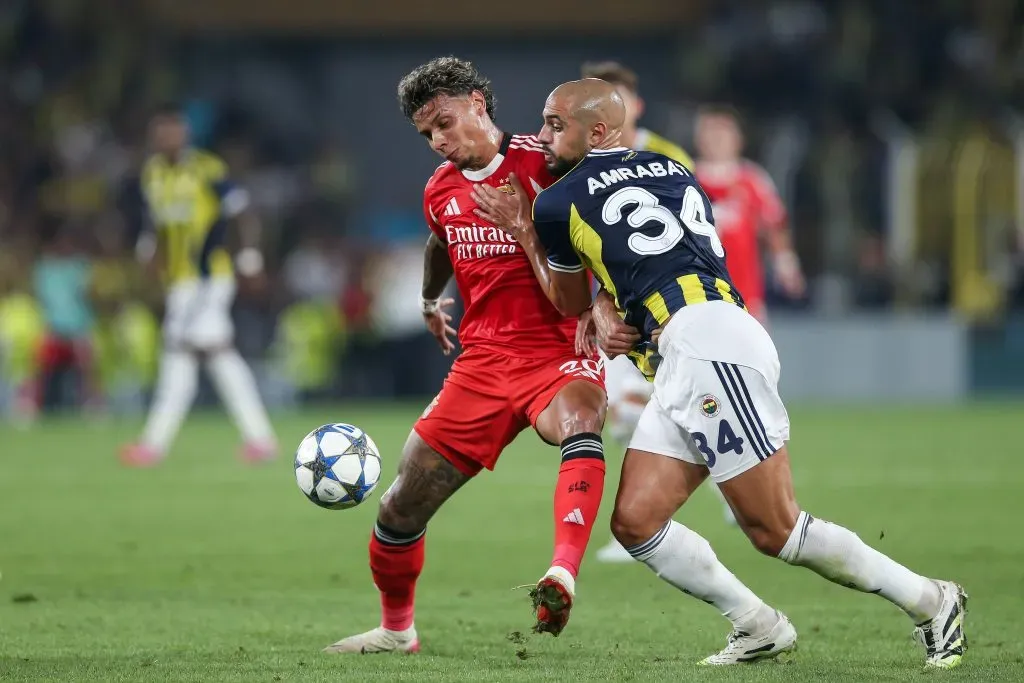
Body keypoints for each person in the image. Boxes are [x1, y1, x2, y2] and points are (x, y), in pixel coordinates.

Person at [472, 78, 967, 669]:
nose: (544, 135)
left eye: (556, 125)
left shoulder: (557, 202)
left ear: (597, 132)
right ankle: (757, 624)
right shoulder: (675, 170)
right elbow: (658, 256)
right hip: (697, 344)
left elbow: (566, 299)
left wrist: (525, 230)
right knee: (636, 522)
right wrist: (608, 305)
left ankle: (931, 600)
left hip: (707, 348)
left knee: (775, 529)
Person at [323, 57, 608, 655]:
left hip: (557, 349)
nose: (438, 141)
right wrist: (431, 298)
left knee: (582, 421)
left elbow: (607, 235)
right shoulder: (441, 189)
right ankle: (396, 631)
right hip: (481, 364)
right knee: (401, 506)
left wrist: (603, 301)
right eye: (427, 133)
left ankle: (561, 573)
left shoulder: (548, 162)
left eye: (444, 123)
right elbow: (439, 240)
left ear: (478, 102)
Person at [577, 61, 705, 561]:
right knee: (622, 409)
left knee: (679, 405)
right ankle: (640, 525)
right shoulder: (579, 159)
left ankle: (725, 483)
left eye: (618, 100)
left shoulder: (668, 157)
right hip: (613, 309)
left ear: (637, 105)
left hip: (670, 308)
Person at [120, 104, 278, 467]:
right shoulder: (153, 173)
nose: (167, 138)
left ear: (185, 133)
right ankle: (260, 439)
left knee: (178, 352)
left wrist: (249, 256)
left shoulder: (206, 169)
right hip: (179, 281)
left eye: (172, 130)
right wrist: (149, 253)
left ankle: (153, 444)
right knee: (216, 355)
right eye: (160, 132)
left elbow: (242, 212)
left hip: (207, 278)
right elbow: (154, 223)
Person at [694, 104, 805, 324]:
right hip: (697, 298)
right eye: (711, 131)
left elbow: (775, 225)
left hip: (746, 298)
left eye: (724, 131)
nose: (717, 138)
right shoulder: (683, 178)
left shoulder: (752, 180)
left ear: (738, 139)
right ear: (699, 138)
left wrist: (786, 263)